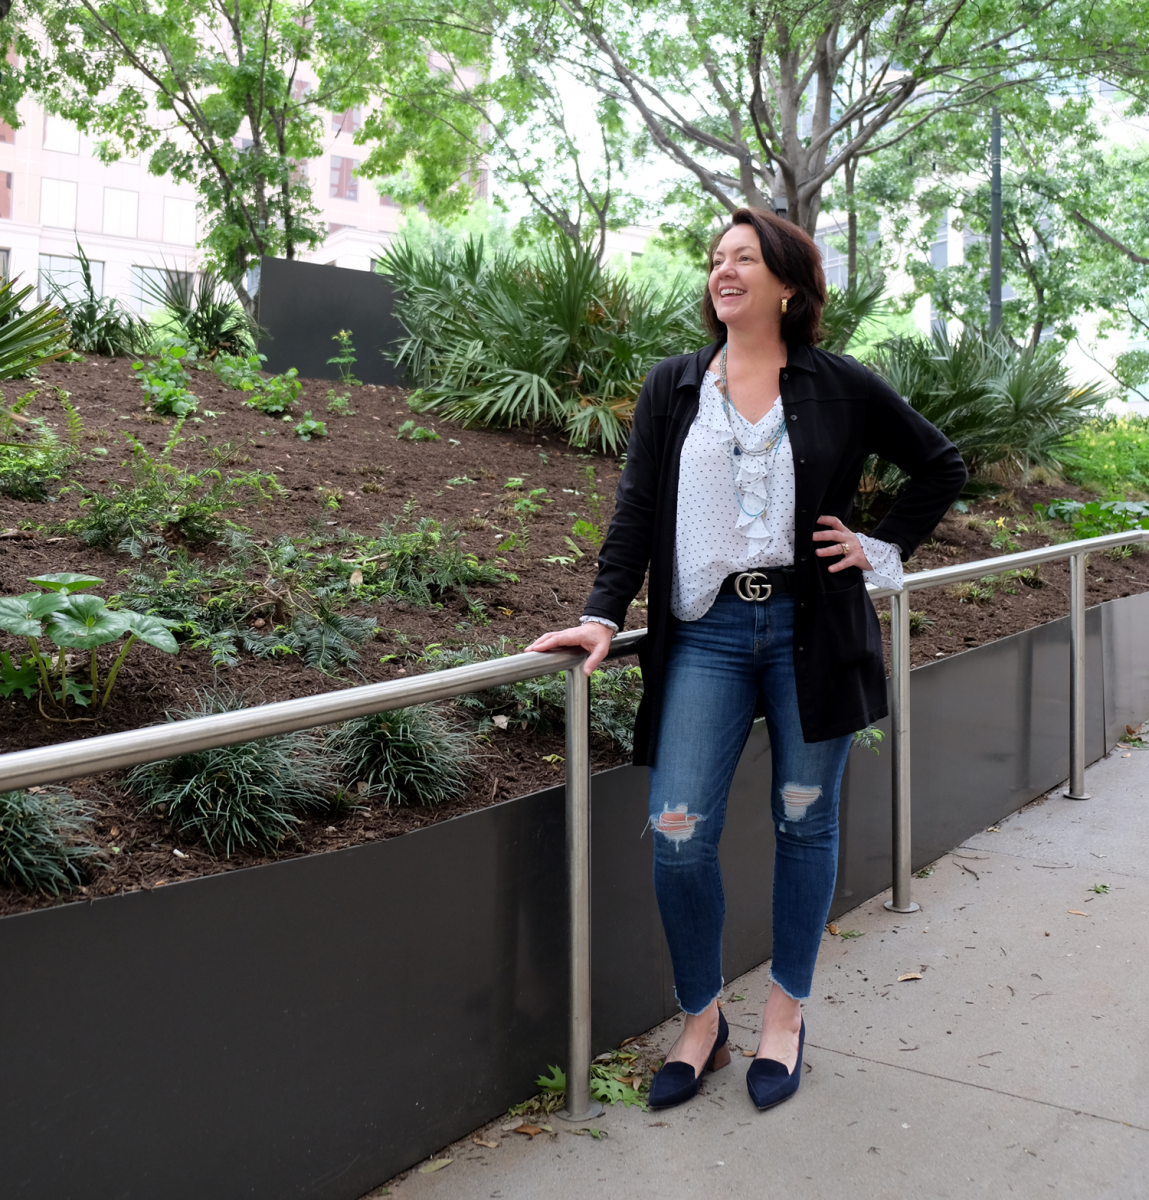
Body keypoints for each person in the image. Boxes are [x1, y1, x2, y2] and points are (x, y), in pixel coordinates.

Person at [528, 207, 967, 1112]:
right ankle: (703, 1022)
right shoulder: (673, 385)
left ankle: (784, 1014)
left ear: (788, 284)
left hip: (813, 631)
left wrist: (876, 548)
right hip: (707, 635)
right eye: (715, 259)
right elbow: (635, 513)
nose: (722, 271)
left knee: (803, 822)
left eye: (743, 258)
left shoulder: (839, 384)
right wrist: (600, 617)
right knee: (678, 832)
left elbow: (939, 465)